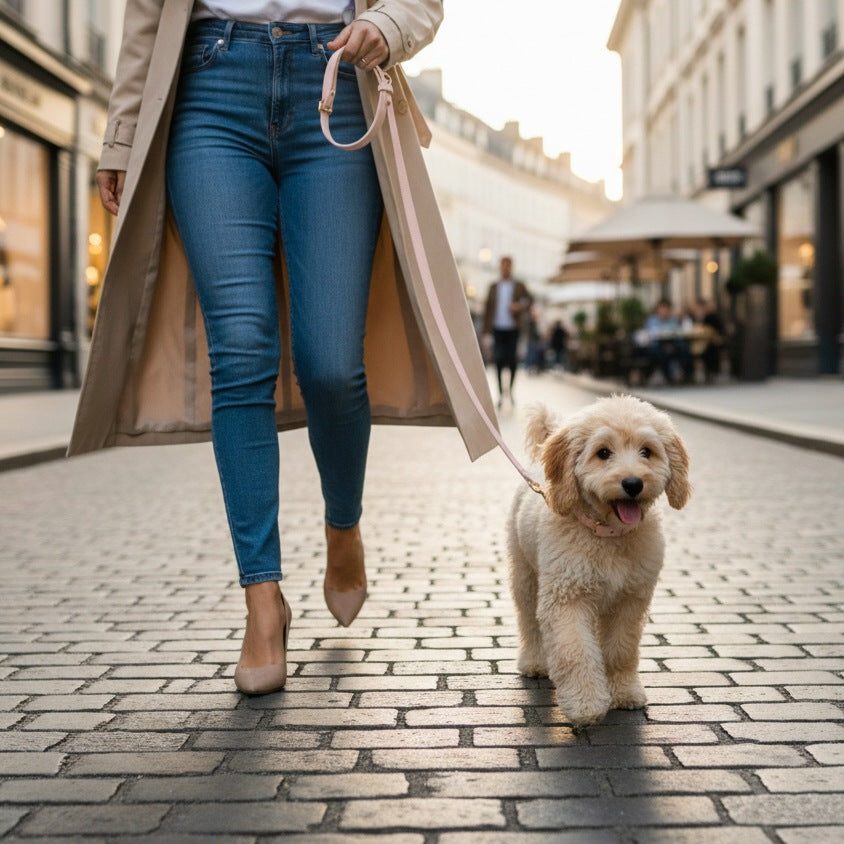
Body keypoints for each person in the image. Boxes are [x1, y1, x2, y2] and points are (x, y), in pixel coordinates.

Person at [69, 0, 498, 696]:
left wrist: (387, 28)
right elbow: (145, 11)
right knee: (238, 351)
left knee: (331, 362)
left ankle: (343, 524)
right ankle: (262, 600)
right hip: (209, 89)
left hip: (335, 81)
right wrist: (121, 136)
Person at [482, 256, 532, 407]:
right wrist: (485, 332)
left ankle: (510, 392)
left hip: (513, 328)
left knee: (512, 361)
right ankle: (499, 394)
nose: (505, 268)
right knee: (497, 360)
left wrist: (519, 306)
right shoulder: (493, 286)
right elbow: (487, 310)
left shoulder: (519, 286)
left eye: (508, 266)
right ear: (500, 267)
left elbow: (529, 300)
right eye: (503, 265)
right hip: (497, 328)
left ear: (511, 267)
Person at [643, 299, 693, 384]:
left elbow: (678, 334)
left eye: (665, 309)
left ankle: (685, 374)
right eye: (661, 309)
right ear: (657, 310)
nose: (663, 311)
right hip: (657, 346)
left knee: (684, 347)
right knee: (659, 352)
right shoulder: (652, 321)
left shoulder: (673, 320)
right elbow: (648, 335)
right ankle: (669, 377)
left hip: (672, 344)